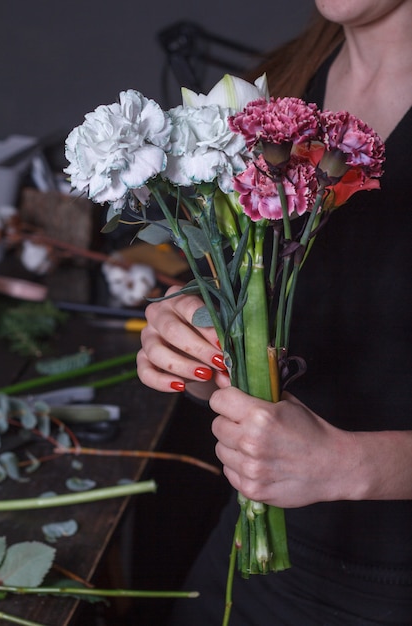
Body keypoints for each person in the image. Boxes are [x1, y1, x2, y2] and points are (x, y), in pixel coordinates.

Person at [137, 1, 412, 623]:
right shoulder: (273, 88)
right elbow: (250, 316)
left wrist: (352, 465)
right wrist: (194, 330)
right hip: (249, 555)